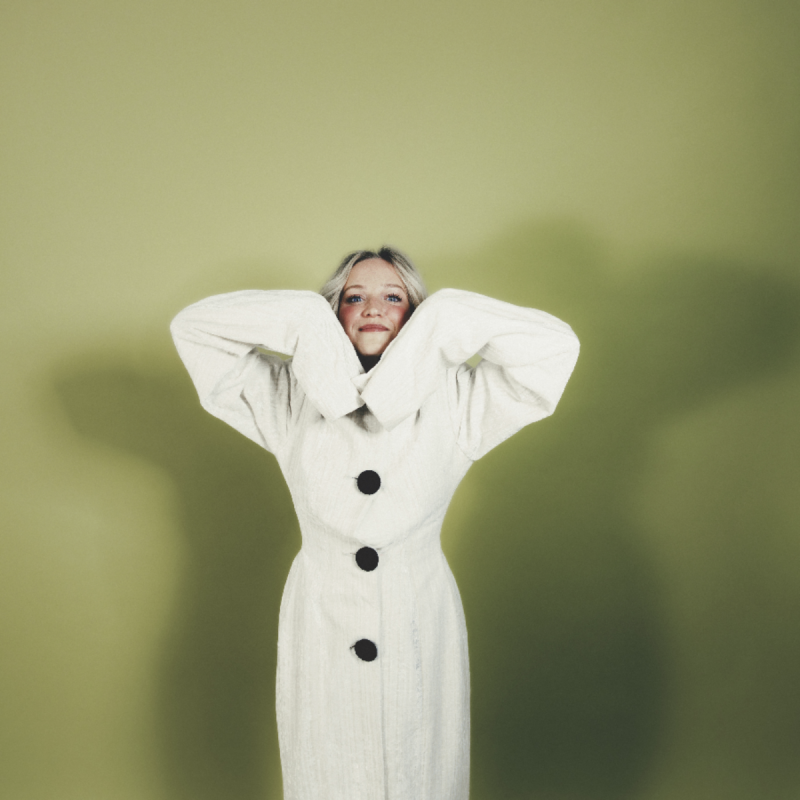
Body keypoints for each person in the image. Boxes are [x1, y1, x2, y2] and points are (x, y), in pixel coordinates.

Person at [170, 247, 580, 800]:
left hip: (418, 611)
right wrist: (304, 318)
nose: (372, 309)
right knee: (327, 763)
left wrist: (445, 314)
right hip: (322, 612)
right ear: (332, 314)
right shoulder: (289, 397)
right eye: (352, 297)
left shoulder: (457, 399)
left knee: (420, 766)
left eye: (394, 297)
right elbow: (194, 329)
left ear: (416, 316)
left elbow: (554, 349)